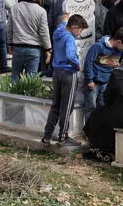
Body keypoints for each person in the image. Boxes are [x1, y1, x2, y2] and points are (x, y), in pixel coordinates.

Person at [42, 14, 89, 147]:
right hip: (69, 72)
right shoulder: (69, 38)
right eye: (79, 30)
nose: (79, 34)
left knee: (56, 105)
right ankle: (63, 137)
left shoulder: (59, 31)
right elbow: (70, 55)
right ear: (74, 27)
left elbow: (62, 21)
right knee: (67, 106)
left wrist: (65, 17)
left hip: (57, 72)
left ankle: (47, 135)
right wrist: (77, 64)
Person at [82, 27, 123, 123]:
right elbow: (88, 63)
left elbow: (120, 62)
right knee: (91, 107)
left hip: (106, 82)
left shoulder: (120, 50)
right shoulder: (98, 46)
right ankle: (89, 131)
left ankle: (101, 129)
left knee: (103, 106)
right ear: (119, 41)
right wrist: (89, 80)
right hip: (94, 82)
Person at [7, 0, 51, 79]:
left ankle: (12, 94)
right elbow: (44, 32)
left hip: (18, 47)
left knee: (15, 76)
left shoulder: (15, 8)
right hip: (33, 49)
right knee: (31, 80)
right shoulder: (41, 11)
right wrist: (47, 49)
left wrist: (10, 43)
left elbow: (9, 28)